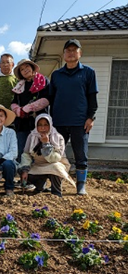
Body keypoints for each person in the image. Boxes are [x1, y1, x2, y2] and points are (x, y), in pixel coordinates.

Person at [49, 39, 98, 195]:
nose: (71, 53)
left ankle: (81, 185)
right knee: (57, 154)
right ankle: (56, 185)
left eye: (74, 50)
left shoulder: (88, 73)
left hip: (80, 121)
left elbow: (92, 97)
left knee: (80, 154)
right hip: (59, 121)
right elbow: (51, 98)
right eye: (68, 50)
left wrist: (91, 117)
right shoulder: (56, 75)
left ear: (80, 53)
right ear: (63, 54)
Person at [18, 113, 75, 197]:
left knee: (55, 168)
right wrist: (25, 169)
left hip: (55, 163)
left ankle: (56, 192)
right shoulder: (32, 136)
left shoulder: (58, 137)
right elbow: (26, 154)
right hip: (39, 165)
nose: (43, 128)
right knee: (22, 170)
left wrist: (46, 144)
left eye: (45, 125)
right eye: (40, 125)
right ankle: (39, 186)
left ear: (50, 125)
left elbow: (55, 158)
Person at [11, 59, 50, 163]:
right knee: (22, 149)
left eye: (27, 67)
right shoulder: (19, 86)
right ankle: (23, 174)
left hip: (38, 121)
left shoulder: (43, 80)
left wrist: (27, 108)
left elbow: (46, 99)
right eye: (22, 69)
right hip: (22, 122)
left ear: (32, 68)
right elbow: (14, 102)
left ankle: (37, 176)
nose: (25, 70)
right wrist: (18, 110)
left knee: (37, 149)